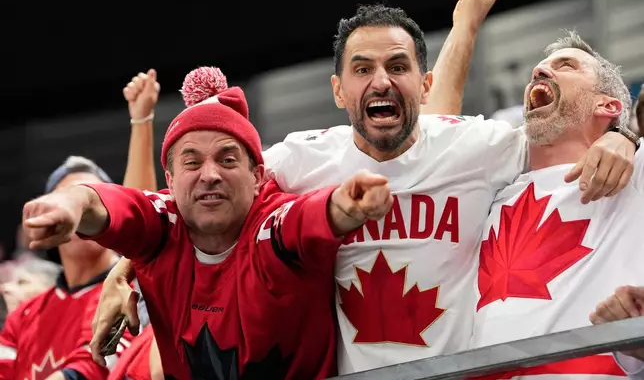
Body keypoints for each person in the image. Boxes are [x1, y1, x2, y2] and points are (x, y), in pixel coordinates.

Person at [91, 0, 642, 375]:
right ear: (337, 91)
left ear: (422, 86)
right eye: (362, 69)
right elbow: (207, 196)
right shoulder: (300, 160)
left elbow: (558, 134)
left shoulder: (482, 146)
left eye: (398, 66)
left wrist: (624, 135)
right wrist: (126, 268)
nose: (381, 80)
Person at [23, 66, 395, 380]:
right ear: (168, 179)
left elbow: (306, 218)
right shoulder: (163, 224)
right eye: (191, 162)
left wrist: (347, 206)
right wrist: (69, 203)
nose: (210, 175)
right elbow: (112, 203)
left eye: (228, 159)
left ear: (258, 176)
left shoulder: (272, 226)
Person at [470, 31, 644, 379]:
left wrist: (630, 136)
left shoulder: (634, 176)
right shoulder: (488, 194)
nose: (539, 72)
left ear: (607, 106)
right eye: (538, 69)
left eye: (566, 66)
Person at [0, 69, 160, 380]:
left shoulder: (127, 292)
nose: (80, 214)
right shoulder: (25, 314)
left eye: (92, 204)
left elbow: (95, 366)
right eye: (70, 203)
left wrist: (141, 122)